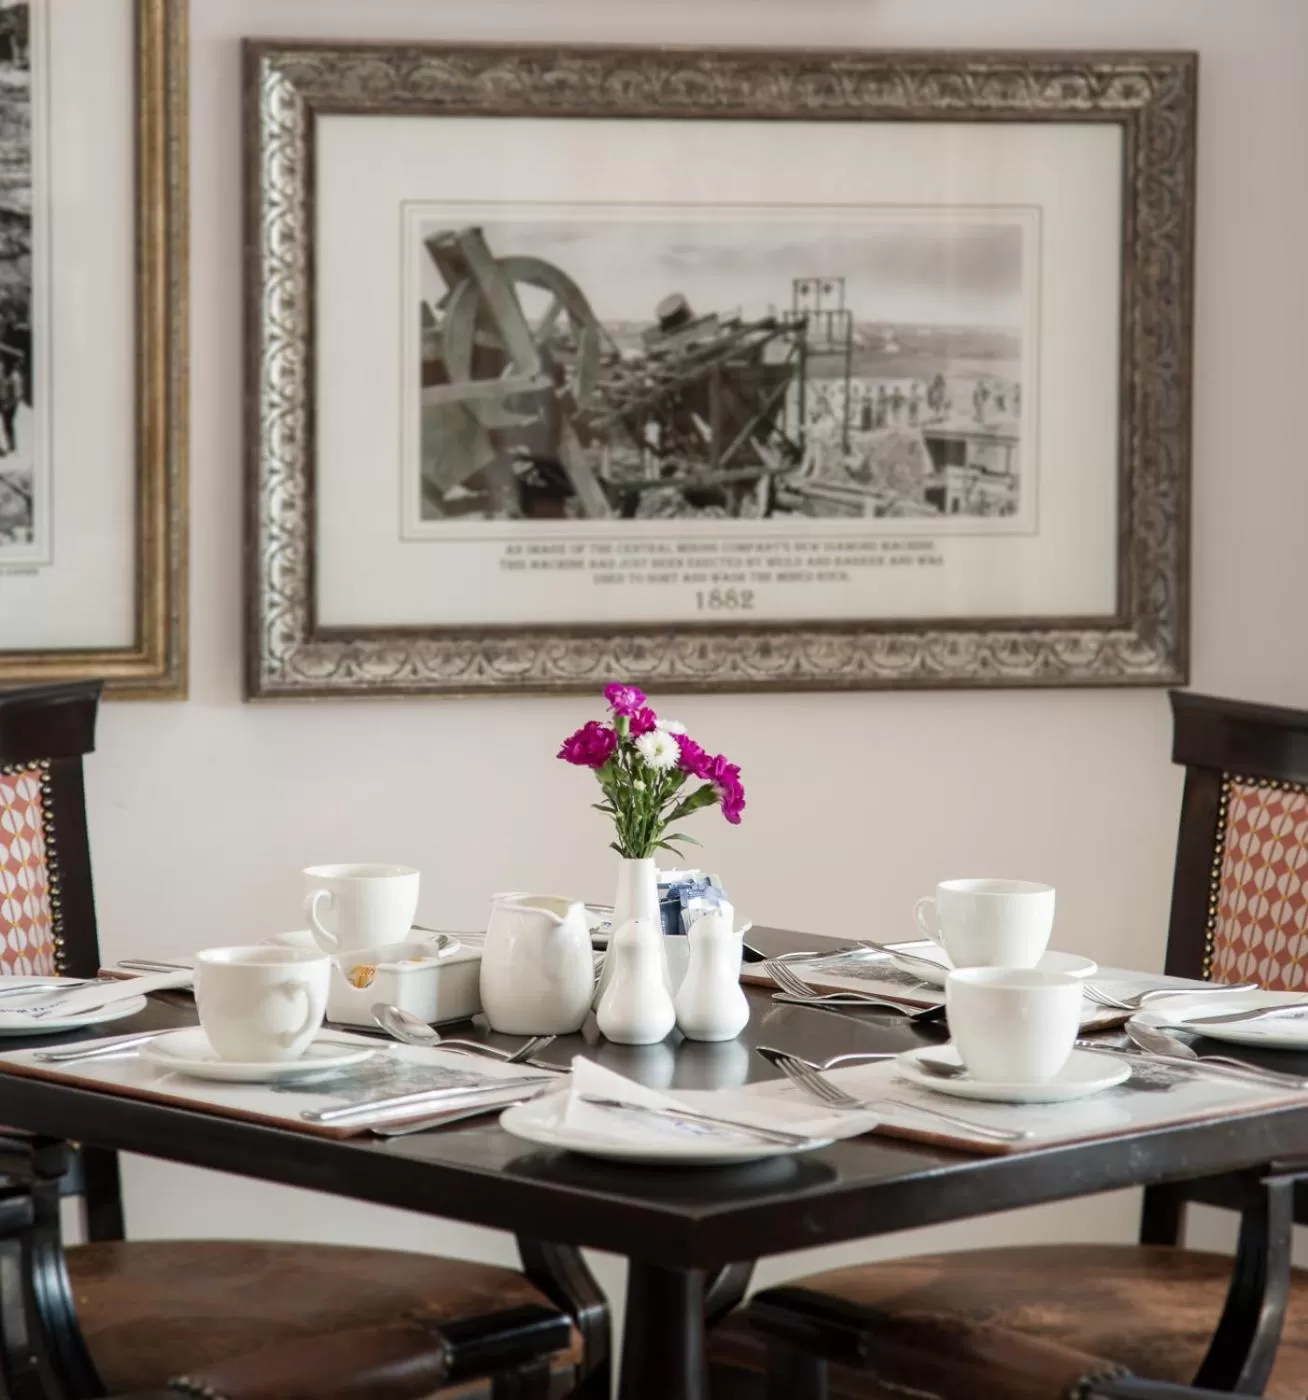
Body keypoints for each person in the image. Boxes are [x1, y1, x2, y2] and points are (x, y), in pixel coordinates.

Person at [0, 357, 21, 456]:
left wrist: (8, 405)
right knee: (5, 424)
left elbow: (17, 397)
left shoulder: (15, 377)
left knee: (8, 423)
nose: (3, 368)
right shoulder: (1, 371)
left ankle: (11, 446)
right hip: (2, 399)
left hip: (12, 402)